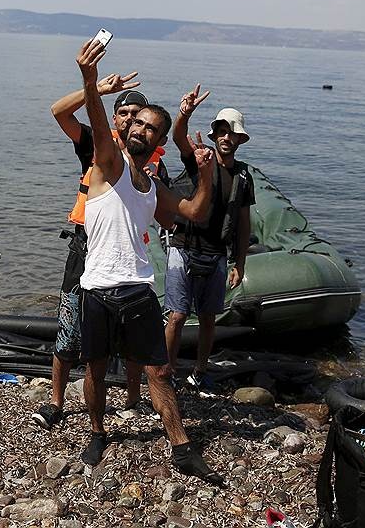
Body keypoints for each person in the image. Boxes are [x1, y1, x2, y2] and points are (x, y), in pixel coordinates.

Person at [75, 38, 223, 485]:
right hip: (98, 288)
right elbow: (97, 121)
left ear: (158, 140)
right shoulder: (109, 163)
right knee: (96, 370)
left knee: (159, 370)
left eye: (150, 128)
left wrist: (206, 174)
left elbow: (194, 212)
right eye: (136, 122)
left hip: (138, 287)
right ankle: (98, 432)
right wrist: (89, 79)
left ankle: (181, 447)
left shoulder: (151, 185)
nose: (139, 129)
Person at [32, 77, 170, 430]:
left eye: (137, 115)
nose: (130, 120)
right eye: (123, 113)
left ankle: (133, 399)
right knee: (69, 325)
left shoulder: (151, 162)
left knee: (133, 335)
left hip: (126, 257)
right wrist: (96, 90)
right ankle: (56, 402)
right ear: (114, 117)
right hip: (85, 249)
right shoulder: (95, 143)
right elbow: (59, 112)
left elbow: (166, 209)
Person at [165, 84, 255, 389]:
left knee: (207, 318)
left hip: (216, 253)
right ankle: (167, 372)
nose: (226, 138)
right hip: (184, 247)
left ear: (240, 139)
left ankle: (200, 372)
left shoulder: (243, 176)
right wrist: (184, 113)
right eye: (222, 132)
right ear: (214, 135)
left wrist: (239, 263)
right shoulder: (200, 158)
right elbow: (179, 138)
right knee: (177, 316)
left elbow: (243, 223)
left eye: (233, 133)